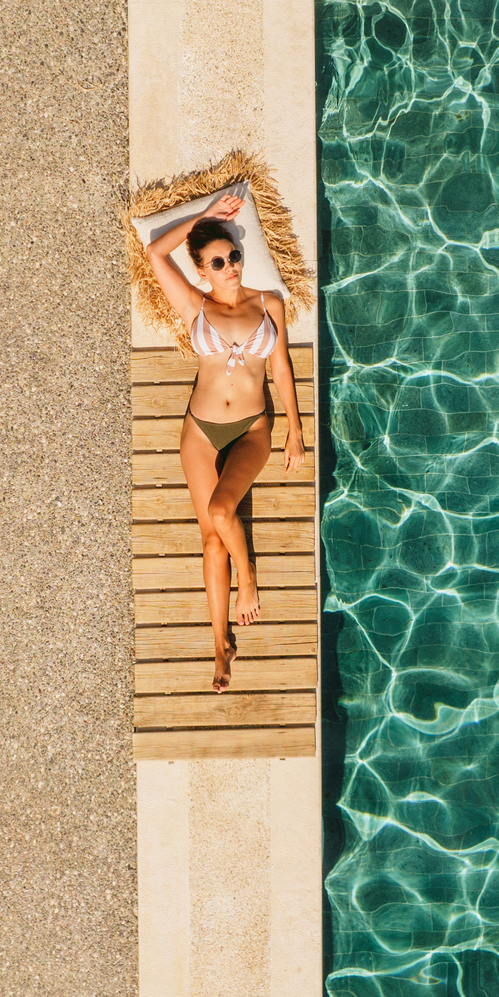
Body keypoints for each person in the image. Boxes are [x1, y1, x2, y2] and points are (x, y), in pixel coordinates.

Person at [145, 194, 305, 690]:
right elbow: (154, 252)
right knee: (210, 537)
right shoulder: (195, 304)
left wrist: (296, 429)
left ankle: (248, 578)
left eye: (234, 255)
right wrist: (203, 216)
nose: (230, 265)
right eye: (218, 261)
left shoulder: (268, 302)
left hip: (254, 426)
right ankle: (220, 646)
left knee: (221, 513)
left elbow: (279, 368)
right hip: (201, 431)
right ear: (201, 272)